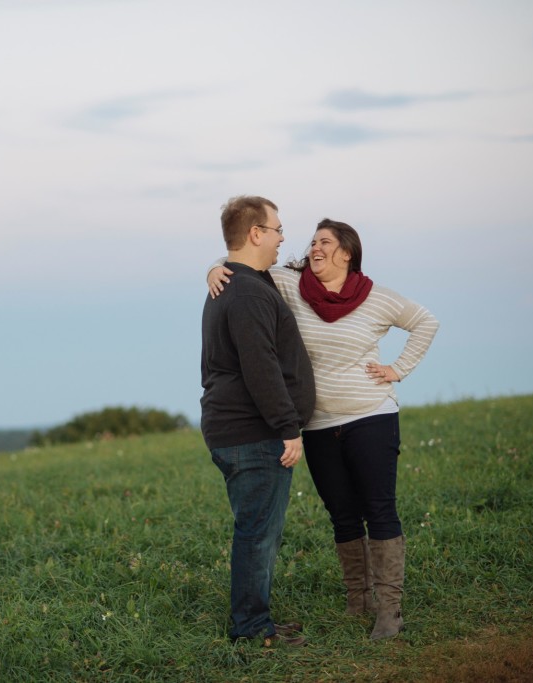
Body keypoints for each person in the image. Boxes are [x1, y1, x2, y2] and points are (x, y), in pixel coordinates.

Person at [207, 218, 439, 640]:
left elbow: (426, 322)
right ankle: (358, 600)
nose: (314, 247)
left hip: (371, 417)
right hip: (317, 424)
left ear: (346, 252)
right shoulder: (290, 285)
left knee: (380, 510)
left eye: (325, 242)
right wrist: (212, 269)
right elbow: (243, 263)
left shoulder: (378, 298)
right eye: (312, 241)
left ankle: (389, 612)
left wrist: (397, 370)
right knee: (342, 514)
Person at [200, 196, 316, 646]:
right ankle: (251, 630)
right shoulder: (246, 291)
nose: (283, 237)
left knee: (259, 530)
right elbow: (260, 365)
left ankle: (256, 620)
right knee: (256, 534)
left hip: (237, 429)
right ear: (255, 234)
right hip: (253, 432)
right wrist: (288, 427)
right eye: (277, 229)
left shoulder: (236, 283)